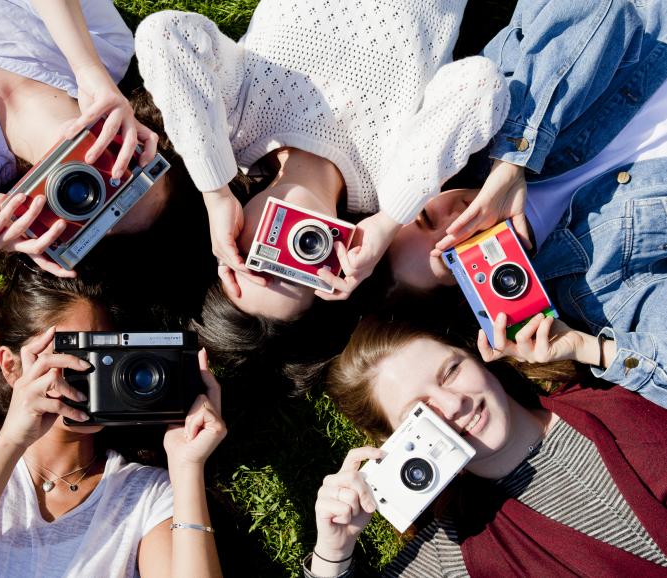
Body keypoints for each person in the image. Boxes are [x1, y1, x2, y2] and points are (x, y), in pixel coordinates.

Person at [134, 0, 509, 367]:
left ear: (224, 240)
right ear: (335, 272)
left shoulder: (235, 127)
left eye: (258, 259)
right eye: (299, 268)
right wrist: (388, 220)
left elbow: (164, 33)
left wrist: (215, 191)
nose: (290, 240)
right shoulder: (390, 183)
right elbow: (481, 84)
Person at [388, 0, 667, 408]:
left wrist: (513, 159)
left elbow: (602, 8)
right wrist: (590, 350)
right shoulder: (593, 289)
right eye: (451, 256)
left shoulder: (495, 114)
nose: (456, 223)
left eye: (428, 214)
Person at [0, 259, 225, 577]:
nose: (92, 375)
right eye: (74, 355)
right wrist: (12, 441)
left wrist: (187, 468)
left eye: (105, 355)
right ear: (12, 367)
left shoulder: (143, 494)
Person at [305, 311, 667, 577]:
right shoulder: (457, 552)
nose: (452, 404)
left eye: (451, 371)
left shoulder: (616, 387)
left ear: (475, 354)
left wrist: (598, 352)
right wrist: (333, 553)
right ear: (396, 442)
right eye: (419, 411)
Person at [0, 0, 161, 277]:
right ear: (145, 139)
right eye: (127, 173)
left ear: (57, 232)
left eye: (94, 205)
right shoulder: (107, 46)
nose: (96, 176)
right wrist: (86, 68)